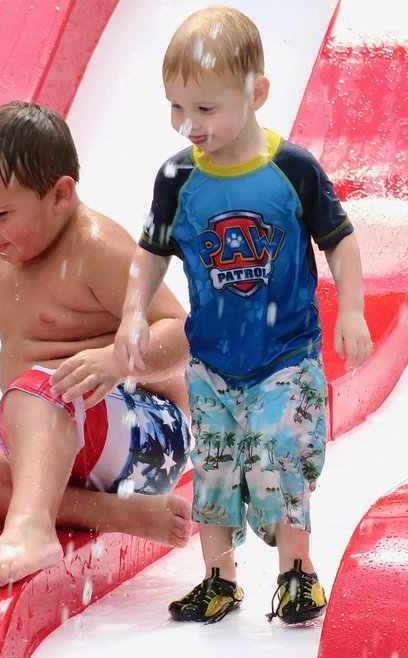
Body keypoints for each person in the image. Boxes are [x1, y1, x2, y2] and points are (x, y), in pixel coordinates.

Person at [114, 5, 373, 624]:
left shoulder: (293, 171)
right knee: (217, 467)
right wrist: (132, 315)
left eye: (205, 109)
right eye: (176, 107)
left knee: (277, 459)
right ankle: (219, 579)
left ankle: (297, 575)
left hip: (286, 354)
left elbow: (341, 239)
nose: (187, 125)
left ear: (256, 93)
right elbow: (150, 254)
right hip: (212, 363)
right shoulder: (177, 179)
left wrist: (354, 311)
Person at [0, 100, 194, 589]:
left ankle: (32, 526)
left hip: (144, 433)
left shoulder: (96, 247)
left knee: (39, 386)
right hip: (57, 431)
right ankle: (112, 513)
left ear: (60, 195)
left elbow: (185, 330)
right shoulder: (8, 244)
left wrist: (114, 356)